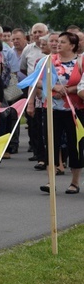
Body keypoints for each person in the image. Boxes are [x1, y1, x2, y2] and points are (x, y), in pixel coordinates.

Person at [38, 32, 84, 194]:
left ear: (72, 46)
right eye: (57, 41)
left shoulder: (81, 61)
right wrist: (54, 87)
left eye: (62, 42)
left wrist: (70, 89)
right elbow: (37, 80)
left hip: (75, 110)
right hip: (51, 108)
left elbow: (82, 83)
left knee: (75, 145)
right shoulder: (49, 60)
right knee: (51, 143)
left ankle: (75, 182)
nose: (58, 44)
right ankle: (51, 181)